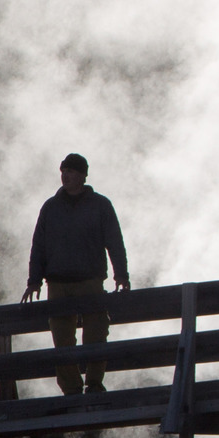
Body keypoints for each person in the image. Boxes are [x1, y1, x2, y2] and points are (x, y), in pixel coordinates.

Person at [22, 154, 130, 395]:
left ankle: (93, 384)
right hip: (58, 283)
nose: (65, 175)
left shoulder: (100, 205)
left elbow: (114, 241)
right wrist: (34, 281)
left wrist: (121, 275)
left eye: (70, 171)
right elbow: (39, 245)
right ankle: (71, 389)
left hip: (90, 281)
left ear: (82, 175)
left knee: (96, 333)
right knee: (62, 341)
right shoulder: (51, 207)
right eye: (63, 170)